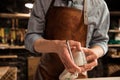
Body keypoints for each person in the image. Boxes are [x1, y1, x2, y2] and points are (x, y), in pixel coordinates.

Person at [25, 0, 110, 80]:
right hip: (46, 74)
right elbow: (31, 38)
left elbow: (101, 41)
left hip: (78, 75)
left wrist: (95, 52)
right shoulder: (44, 1)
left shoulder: (99, 5)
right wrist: (56, 46)